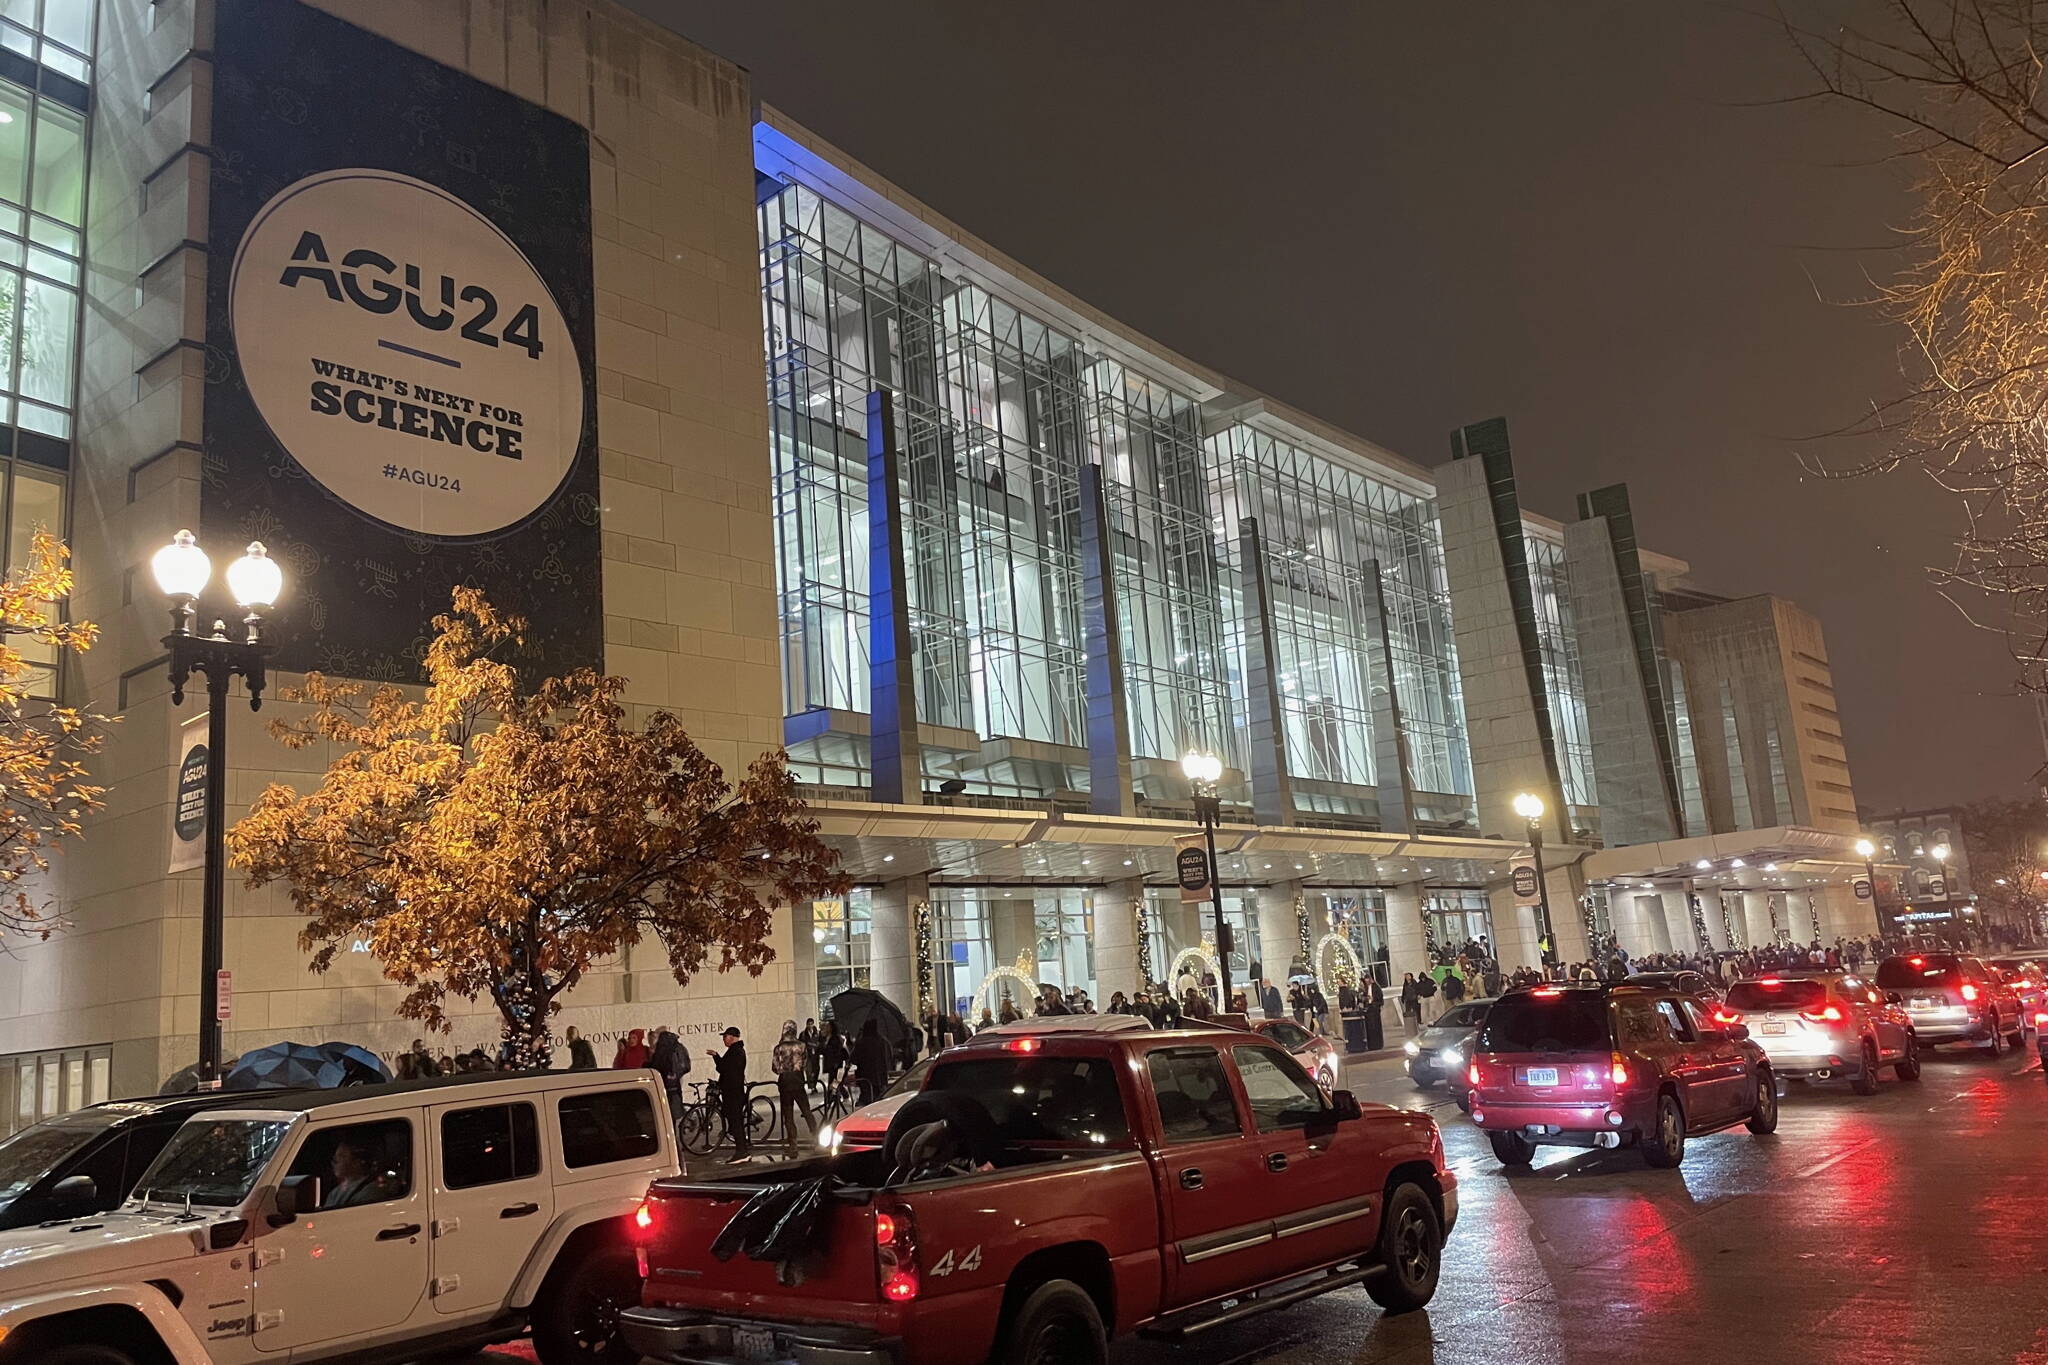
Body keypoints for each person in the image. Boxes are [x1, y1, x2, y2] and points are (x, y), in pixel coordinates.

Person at [708, 1027, 750, 1160]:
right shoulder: (736, 1051)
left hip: (733, 1092)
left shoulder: (735, 1052)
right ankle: (742, 1150)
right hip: (734, 1091)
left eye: (724, 1037)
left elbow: (723, 1068)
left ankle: (741, 1152)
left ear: (731, 1037)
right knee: (735, 1121)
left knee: (736, 1122)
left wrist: (716, 1057)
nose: (723, 1039)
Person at [772, 1020, 814, 1153]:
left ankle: (793, 1144)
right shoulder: (801, 1046)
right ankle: (817, 1137)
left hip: (785, 1083)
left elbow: (775, 1068)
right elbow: (806, 1063)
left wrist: (784, 1068)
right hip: (798, 1081)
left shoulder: (779, 1048)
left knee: (788, 1115)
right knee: (806, 1111)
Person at [322, 1137, 387, 1209]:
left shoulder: (370, 1191)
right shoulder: (335, 1193)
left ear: (357, 1162)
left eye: (342, 1156)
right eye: (335, 1156)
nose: (335, 1161)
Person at [851, 1018, 892, 1105]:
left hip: (865, 1077)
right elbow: (890, 1057)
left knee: (867, 1101)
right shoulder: (884, 1041)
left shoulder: (862, 1042)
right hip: (881, 1077)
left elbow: (854, 1059)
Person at [647, 1027, 688, 1108]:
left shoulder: (662, 1049)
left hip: (666, 1081)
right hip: (675, 1081)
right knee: (674, 1105)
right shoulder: (677, 1047)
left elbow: (657, 1065)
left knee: (666, 1106)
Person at [1360, 971, 1386, 1051]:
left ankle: (1377, 1044)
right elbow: (1363, 997)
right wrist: (1365, 999)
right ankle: (1371, 1045)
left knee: (1375, 1027)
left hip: (1374, 1010)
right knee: (1369, 1028)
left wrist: (1373, 1001)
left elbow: (1380, 999)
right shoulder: (1365, 988)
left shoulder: (1376, 987)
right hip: (1368, 1010)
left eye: (1368, 980)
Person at [821, 1021, 847, 1088]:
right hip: (830, 1062)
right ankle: (834, 1095)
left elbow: (836, 1050)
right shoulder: (827, 1037)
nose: (826, 1028)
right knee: (834, 1082)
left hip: (835, 1063)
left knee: (834, 1081)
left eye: (828, 1026)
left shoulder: (836, 1038)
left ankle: (836, 1095)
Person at [800, 1019, 823, 1091]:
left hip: (815, 1055)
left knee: (816, 1070)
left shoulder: (818, 1033)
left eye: (811, 1024)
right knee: (809, 1071)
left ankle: (814, 1084)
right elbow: (800, 1044)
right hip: (807, 1055)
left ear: (813, 1024)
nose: (810, 1025)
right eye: (808, 1024)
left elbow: (821, 1043)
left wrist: (818, 1048)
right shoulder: (803, 1034)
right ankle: (812, 1087)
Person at [1399, 972, 1424, 1037]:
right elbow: (1404, 991)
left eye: (1408, 976)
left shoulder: (1414, 983)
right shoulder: (1405, 984)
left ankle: (1417, 1024)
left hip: (1414, 999)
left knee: (1416, 1012)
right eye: (1406, 976)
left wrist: (1417, 995)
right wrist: (1403, 998)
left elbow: (1418, 990)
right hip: (1408, 1000)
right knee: (1408, 1012)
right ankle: (1409, 1027)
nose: (1407, 977)